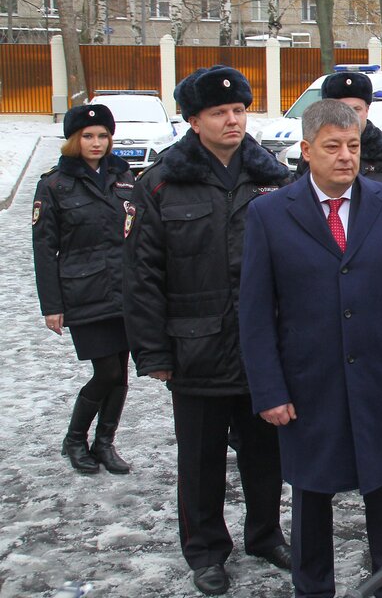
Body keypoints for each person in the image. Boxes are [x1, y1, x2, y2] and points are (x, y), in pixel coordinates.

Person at [240, 99, 382, 598]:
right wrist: (269, 390)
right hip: (307, 384)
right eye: (332, 147)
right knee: (310, 496)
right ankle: (313, 588)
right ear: (306, 151)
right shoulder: (268, 214)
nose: (345, 156)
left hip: (379, 380)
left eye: (352, 145)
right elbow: (257, 313)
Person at [125, 66, 292, 596]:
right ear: (193, 121)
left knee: (266, 453)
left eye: (239, 110)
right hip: (194, 346)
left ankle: (265, 534)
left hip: (263, 347)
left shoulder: (276, 178)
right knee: (200, 459)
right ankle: (205, 550)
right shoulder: (160, 183)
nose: (232, 120)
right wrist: (153, 351)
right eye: (219, 113)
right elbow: (141, 274)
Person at [32, 104, 136, 475]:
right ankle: (75, 439)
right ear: (74, 140)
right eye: (88, 136)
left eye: (103, 136)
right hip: (84, 291)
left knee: (120, 374)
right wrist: (52, 305)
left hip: (124, 291)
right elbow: (44, 250)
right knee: (106, 372)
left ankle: (104, 443)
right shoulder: (55, 185)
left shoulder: (124, 177)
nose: (96, 142)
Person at [294, 71, 382, 198]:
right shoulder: (313, 154)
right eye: (341, 109)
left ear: (367, 110)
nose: (349, 116)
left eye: (356, 109)